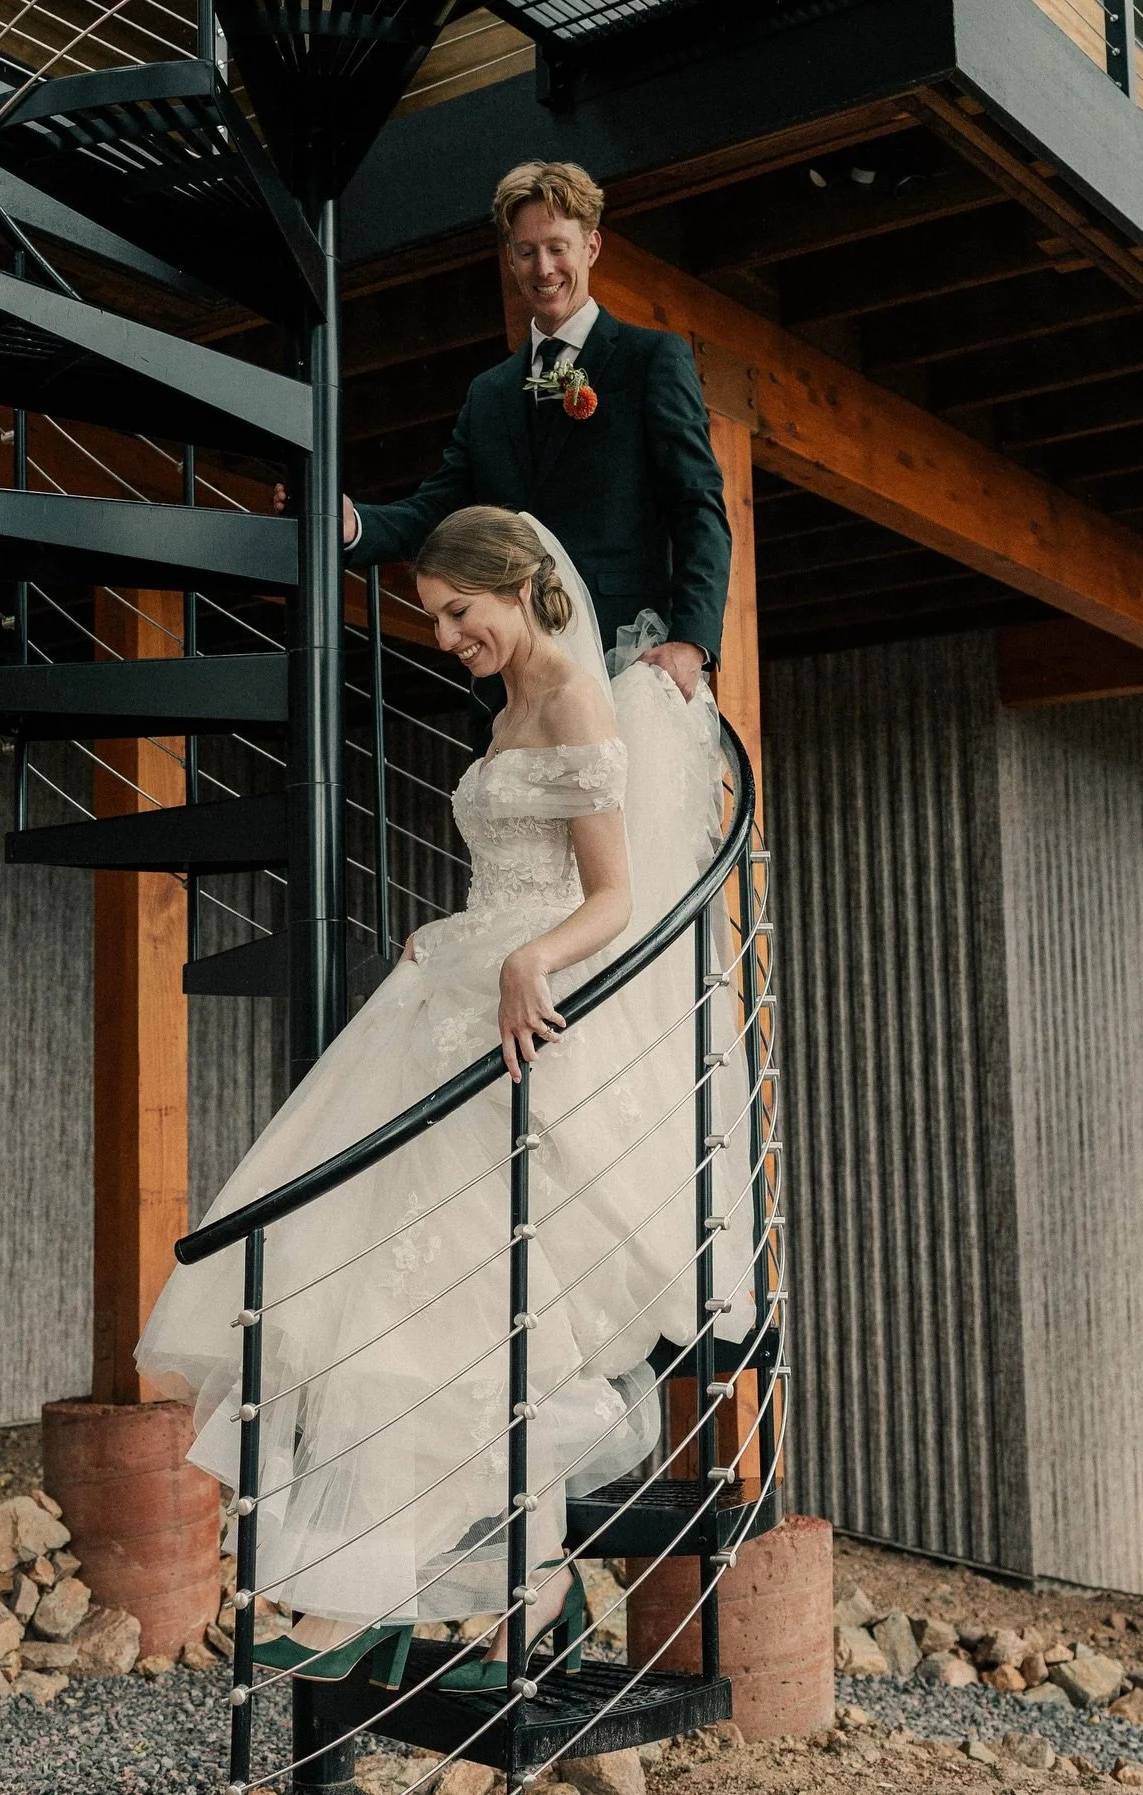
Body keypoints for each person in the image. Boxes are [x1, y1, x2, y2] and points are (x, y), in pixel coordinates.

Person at [136, 508, 755, 1692]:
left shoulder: (578, 700)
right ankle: (519, 1596)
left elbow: (613, 897)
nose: (444, 634)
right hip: (462, 983)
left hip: (527, 1010)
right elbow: (506, 870)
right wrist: (459, 935)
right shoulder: (510, 708)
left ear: (521, 588)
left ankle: (397, 1599)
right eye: (432, 616)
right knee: (377, 1292)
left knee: (448, 1312)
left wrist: (529, 960)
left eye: (458, 612)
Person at [344, 160, 731, 728]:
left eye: (558, 247)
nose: (543, 268)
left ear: (592, 246)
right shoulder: (489, 392)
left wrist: (693, 642)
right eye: (526, 251)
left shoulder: (652, 360)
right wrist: (353, 525)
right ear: (509, 258)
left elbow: (699, 507)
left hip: (623, 658)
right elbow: (441, 510)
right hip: (517, 676)